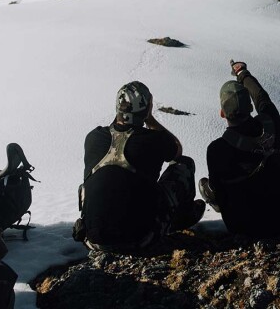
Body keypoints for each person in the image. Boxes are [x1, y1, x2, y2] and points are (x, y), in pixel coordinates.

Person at [76, 81, 205, 253]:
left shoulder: (93, 137)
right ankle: (180, 217)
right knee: (184, 165)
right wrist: (150, 119)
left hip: (92, 240)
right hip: (141, 238)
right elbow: (177, 151)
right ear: (146, 108)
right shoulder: (153, 140)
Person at [198, 60, 280, 236]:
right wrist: (242, 73)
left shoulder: (217, 149)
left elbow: (218, 190)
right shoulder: (271, 124)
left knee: (207, 185)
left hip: (242, 227)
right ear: (251, 107)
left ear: (222, 113)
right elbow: (261, 96)